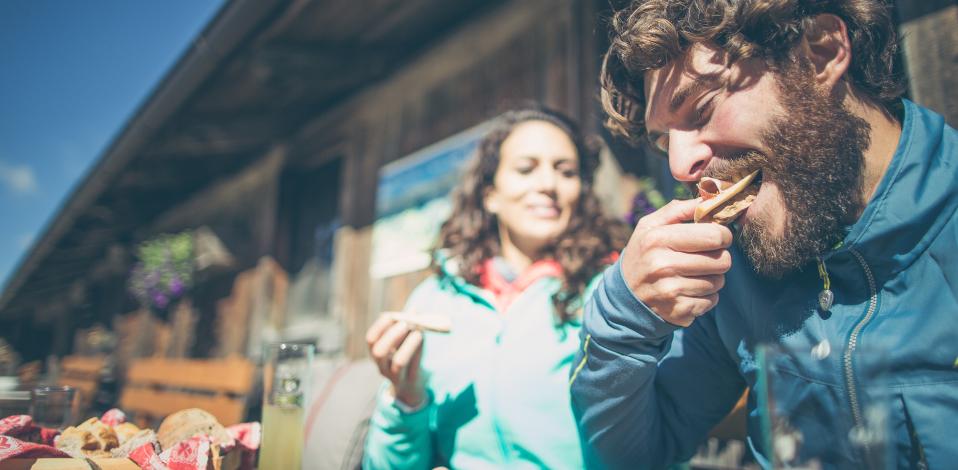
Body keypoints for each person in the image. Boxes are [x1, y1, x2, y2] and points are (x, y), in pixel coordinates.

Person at [570, 1, 958, 469]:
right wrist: (623, 315)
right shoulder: (732, 274)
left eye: (702, 107)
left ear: (821, 53)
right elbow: (628, 458)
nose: (679, 165)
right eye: (662, 141)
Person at [363, 107, 629, 469]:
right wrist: (406, 399)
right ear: (490, 195)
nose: (548, 185)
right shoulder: (432, 300)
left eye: (566, 171)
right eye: (525, 169)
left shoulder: (611, 292)